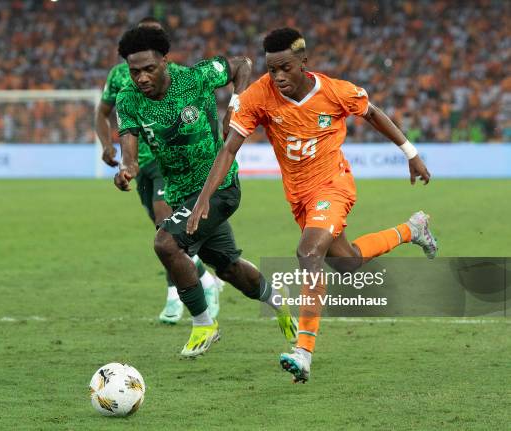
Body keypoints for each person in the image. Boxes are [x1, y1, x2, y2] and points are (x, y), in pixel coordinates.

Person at [186, 28, 438, 381]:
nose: (278, 77)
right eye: (272, 70)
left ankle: (303, 351)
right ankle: (412, 230)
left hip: (334, 186)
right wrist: (203, 199)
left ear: (303, 62)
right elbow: (229, 148)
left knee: (308, 253)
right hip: (300, 198)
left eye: (285, 68)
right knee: (347, 264)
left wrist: (410, 153)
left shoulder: (335, 90)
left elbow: (373, 112)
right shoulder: (260, 95)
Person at [113, 26, 297, 357]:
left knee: (166, 243)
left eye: (148, 69)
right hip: (180, 194)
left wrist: (236, 105)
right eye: (134, 70)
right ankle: (277, 301)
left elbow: (242, 64)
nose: (140, 78)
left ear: (165, 62)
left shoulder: (196, 77)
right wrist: (127, 168)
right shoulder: (127, 98)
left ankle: (203, 324)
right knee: (228, 268)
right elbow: (129, 148)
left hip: (219, 187)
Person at [96, 17, 222, 324]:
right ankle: (205, 279)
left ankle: (175, 299)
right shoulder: (118, 78)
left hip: (166, 164)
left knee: (166, 231)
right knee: (162, 231)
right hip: (139, 164)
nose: (140, 75)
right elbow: (102, 113)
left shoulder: (177, 77)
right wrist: (108, 146)